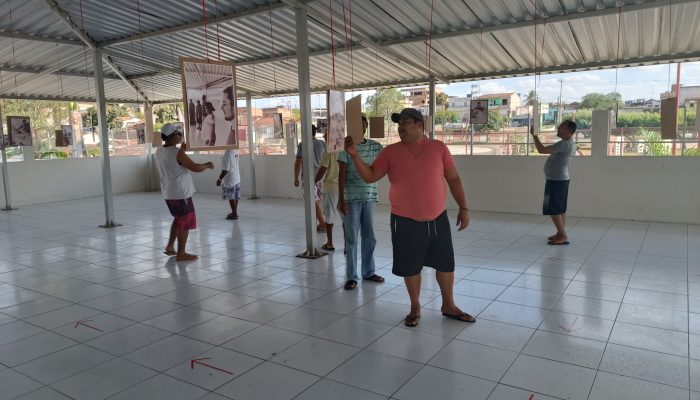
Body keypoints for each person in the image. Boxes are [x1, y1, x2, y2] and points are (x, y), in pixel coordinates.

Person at [344, 108, 475, 327]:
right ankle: (415, 307)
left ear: (420, 125)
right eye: (399, 123)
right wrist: (355, 155)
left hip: (437, 218)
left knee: (445, 265)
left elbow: (453, 179)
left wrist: (464, 207)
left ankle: (448, 305)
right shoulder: (390, 152)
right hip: (404, 220)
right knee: (411, 266)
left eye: (406, 122)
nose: (401, 127)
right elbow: (370, 177)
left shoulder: (438, 148)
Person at [337, 115, 384, 290]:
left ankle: (369, 271)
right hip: (351, 199)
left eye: (363, 124)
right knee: (351, 239)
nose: (361, 127)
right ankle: (351, 276)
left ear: (366, 127)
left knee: (369, 237)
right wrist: (341, 199)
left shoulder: (375, 147)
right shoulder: (346, 149)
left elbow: (382, 167)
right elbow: (341, 175)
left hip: (369, 197)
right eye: (357, 124)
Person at [155, 123, 214, 261]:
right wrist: (207, 165)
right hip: (181, 193)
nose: (180, 136)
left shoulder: (159, 150)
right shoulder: (177, 153)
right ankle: (181, 253)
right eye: (178, 134)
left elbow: (173, 159)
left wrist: (181, 150)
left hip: (169, 192)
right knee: (185, 222)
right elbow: (194, 167)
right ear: (171, 136)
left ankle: (170, 246)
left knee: (178, 219)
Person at [530, 120, 577, 245]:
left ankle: (562, 235)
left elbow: (541, 149)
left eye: (561, 127)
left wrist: (534, 136)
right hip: (560, 180)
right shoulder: (568, 143)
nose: (558, 128)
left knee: (553, 209)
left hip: (556, 181)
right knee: (560, 209)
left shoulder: (565, 144)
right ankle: (560, 232)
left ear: (569, 131)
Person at [293, 125, 326, 232]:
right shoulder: (322, 143)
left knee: (312, 200)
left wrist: (296, 178)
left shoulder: (303, 145)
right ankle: (319, 222)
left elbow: (298, 163)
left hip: (309, 177)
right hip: (321, 176)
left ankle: (322, 223)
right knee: (316, 199)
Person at [314, 130, 342, 251]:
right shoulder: (344, 150)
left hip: (331, 187)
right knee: (345, 217)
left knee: (329, 216)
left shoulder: (329, 151)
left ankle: (329, 243)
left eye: (326, 134)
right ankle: (347, 245)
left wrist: (314, 180)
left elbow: (322, 169)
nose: (324, 136)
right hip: (343, 187)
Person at [216, 149, 241, 220]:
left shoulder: (227, 153)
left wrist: (219, 179)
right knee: (235, 196)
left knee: (231, 197)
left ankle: (234, 214)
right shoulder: (236, 150)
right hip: (236, 177)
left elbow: (225, 170)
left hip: (230, 178)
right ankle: (234, 212)